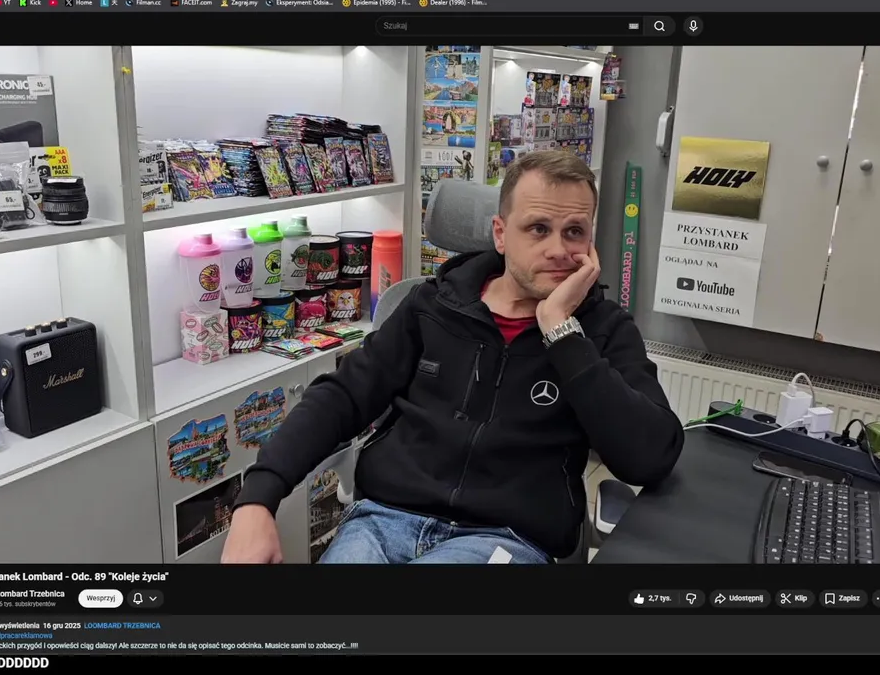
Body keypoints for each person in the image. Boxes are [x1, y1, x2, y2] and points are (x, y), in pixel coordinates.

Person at [222, 151, 684, 565]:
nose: (559, 250)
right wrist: (257, 500)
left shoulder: (603, 330)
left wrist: (562, 332)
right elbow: (342, 397)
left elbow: (648, 458)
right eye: (538, 229)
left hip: (505, 538)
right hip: (383, 519)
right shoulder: (433, 305)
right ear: (500, 234)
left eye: (575, 232)